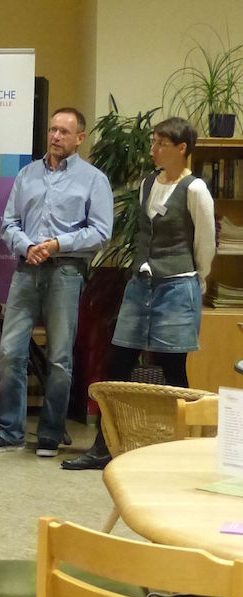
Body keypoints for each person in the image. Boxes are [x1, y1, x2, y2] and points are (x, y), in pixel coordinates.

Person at [62, 117, 216, 470]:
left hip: (176, 286)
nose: (154, 148)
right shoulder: (148, 183)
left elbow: (205, 243)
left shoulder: (195, 189)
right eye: (153, 141)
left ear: (182, 148)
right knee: (117, 365)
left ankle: (183, 453)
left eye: (162, 143)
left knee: (174, 371)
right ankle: (104, 446)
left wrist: (197, 278)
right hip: (140, 285)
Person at [0, 107, 113, 457]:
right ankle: (10, 431)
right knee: (10, 352)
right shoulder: (27, 174)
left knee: (60, 357)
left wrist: (59, 244)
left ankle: (50, 432)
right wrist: (27, 246)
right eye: (52, 129)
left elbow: (101, 232)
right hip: (26, 270)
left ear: (80, 138)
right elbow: (9, 223)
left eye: (64, 131)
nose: (56, 136)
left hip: (66, 272)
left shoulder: (94, 180)